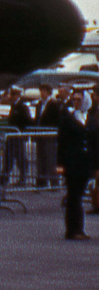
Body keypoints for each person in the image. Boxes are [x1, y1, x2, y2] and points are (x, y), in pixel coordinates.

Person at [54, 92, 92, 240]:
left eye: (79, 100)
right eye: (74, 99)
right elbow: (61, 143)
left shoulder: (90, 119)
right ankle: (72, 229)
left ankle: (79, 228)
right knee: (73, 196)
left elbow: (93, 142)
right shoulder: (67, 119)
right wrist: (60, 165)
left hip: (84, 162)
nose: (76, 102)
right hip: (71, 162)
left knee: (79, 196)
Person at [0, 88, 31, 187]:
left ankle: (22, 179)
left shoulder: (22, 107)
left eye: (12, 95)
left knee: (20, 158)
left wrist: (21, 132)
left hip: (18, 136)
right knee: (8, 158)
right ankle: (4, 178)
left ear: (17, 96)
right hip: (12, 136)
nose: (10, 97)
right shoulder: (15, 106)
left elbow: (27, 120)